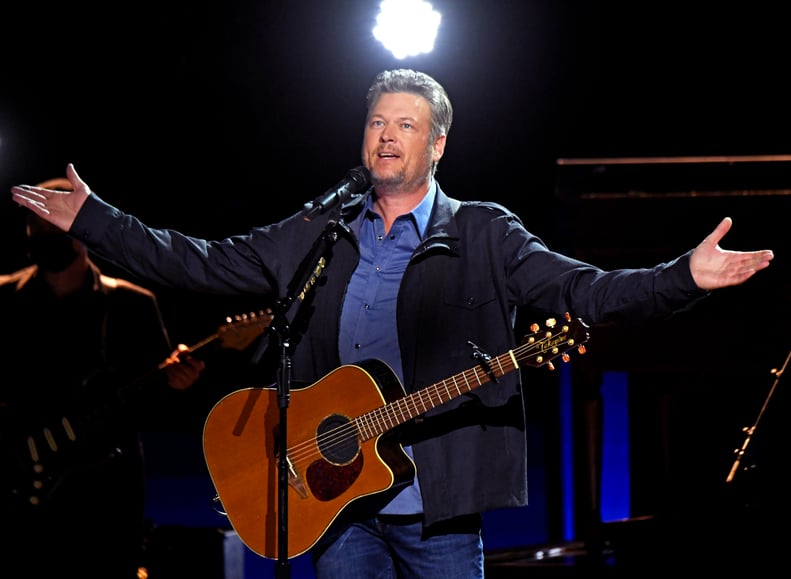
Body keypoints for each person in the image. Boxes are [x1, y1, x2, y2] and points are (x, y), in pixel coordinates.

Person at [10, 69, 773, 579]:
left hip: (437, 510)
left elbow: (587, 291)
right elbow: (202, 263)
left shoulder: (483, 233)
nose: (384, 135)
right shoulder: (320, 227)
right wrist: (99, 222)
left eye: (404, 125)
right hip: (335, 506)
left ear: (436, 144)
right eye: (376, 122)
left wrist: (682, 277)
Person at [0, 178, 206, 578]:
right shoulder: (5, 300)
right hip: (16, 493)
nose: (40, 233)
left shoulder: (132, 306)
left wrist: (180, 386)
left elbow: (158, 409)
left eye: (50, 224)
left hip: (104, 500)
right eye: (33, 225)